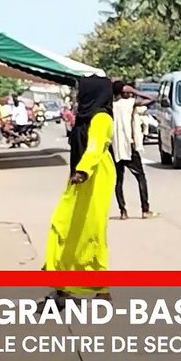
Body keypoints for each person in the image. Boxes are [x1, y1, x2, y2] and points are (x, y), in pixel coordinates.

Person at [44, 77, 117, 300]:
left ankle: (99, 287)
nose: (77, 95)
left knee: (90, 233)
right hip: (79, 178)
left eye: (80, 91)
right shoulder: (83, 118)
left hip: (95, 177)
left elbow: (95, 146)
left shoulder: (101, 118)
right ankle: (61, 280)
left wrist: (83, 170)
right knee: (63, 225)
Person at [111, 80, 159, 220]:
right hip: (129, 146)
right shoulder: (129, 103)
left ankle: (123, 212)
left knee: (118, 181)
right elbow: (151, 99)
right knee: (140, 177)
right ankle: (145, 210)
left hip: (115, 147)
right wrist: (135, 91)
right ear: (124, 91)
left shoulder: (110, 105)